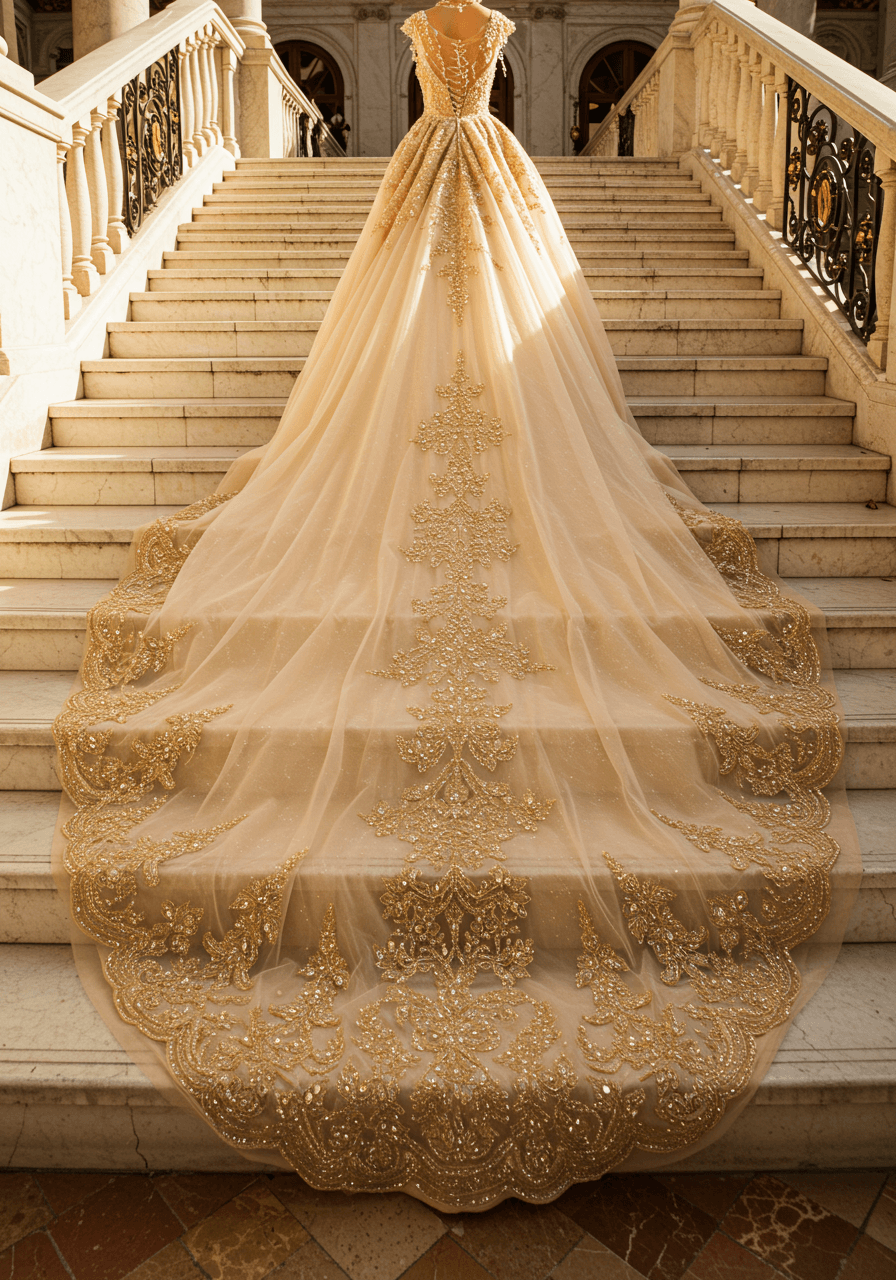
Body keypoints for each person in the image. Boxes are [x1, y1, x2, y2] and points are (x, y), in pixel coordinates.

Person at [53, 0, 858, 1211]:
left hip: (453, 166)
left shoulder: (449, 40)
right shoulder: (470, 34)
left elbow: (453, 93)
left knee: (445, 330)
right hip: (472, 167)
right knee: (412, 339)